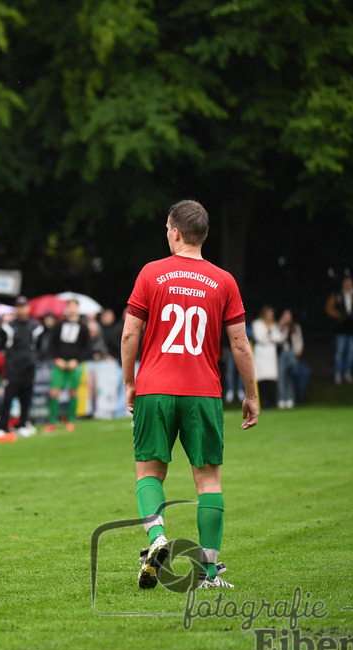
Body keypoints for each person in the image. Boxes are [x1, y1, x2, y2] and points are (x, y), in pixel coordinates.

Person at [122, 199, 258, 592]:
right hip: (203, 392)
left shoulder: (151, 273)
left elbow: (130, 333)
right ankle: (209, 573)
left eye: (168, 228)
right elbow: (240, 344)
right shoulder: (224, 280)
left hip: (155, 388)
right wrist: (251, 394)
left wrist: (130, 382)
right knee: (208, 479)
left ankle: (157, 538)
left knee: (149, 472)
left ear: (176, 232)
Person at [0, 296, 45, 436]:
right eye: (19, 307)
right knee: (8, 397)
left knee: (26, 397)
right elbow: (2, 347)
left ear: (28, 308)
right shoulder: (8, 327)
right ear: (16, 309)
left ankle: (23, 424)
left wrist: (32, 359)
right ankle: (2, 426)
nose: (22, 310)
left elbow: (40, 347)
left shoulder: (36, 327)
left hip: (28, 367)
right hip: (12, 367)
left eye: (24, 306)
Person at [45, 299, 91, 432]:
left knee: (73, 392)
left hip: (75, 364)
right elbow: (52, 344)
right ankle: (52, 422)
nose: (72, 309)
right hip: (60, 363)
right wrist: (57, 358)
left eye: (74, 306)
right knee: (54, 392)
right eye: (70, 306)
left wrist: (77, 360)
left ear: (78, 308)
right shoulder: (59, 325)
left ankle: (71, 421)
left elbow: (87, 347)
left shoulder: (83, 327)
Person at [325, 275, 353, 384]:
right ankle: (338, 373)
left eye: (350, 282)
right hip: (341, 328)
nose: (348, 285)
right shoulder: (337, 295)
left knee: (351, 352)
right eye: (346, 282)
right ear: (343, 284)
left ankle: (347, 372)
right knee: (340, 352)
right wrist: (339, 315)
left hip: (352, 329)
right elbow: (328, 308)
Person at [250, 305, 283, 408]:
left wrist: (269, 337)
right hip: (261, 354)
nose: (271, 315)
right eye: (270, 313)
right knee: (262, 378)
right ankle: (262, 401)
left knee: (269, 379)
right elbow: (260, 338)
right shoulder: (257, 324)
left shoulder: (273, 325)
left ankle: (269, 401)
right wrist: (270, 338)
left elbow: (279, 338)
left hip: (270, 355)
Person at [276, 309, 308, 408]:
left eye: (289, 316)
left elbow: (300, 339)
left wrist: (299, 350)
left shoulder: (296, 327)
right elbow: (279, 340)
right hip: (283, 353)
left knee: (291, 376)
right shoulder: (279, 327)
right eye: (285, 316)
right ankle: (281, 398)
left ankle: (290, 398)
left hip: (293, 354)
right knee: (281, 376)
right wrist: (282, 326)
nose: (287, 318)